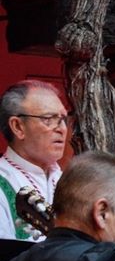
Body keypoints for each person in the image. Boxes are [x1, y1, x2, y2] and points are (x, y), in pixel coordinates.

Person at [0, 80, 69, 242]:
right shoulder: (3, 184)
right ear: (18, 127)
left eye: (63, 119)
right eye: (49, 119)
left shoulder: (70, 182)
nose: (62, 129)